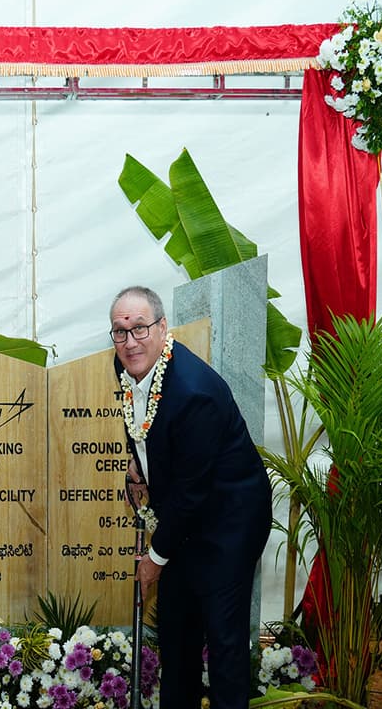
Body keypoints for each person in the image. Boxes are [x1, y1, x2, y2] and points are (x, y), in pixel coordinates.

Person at [109, 286, 272, 707]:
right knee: (177, 632)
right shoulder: (126, 364)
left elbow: (191, 491)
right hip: (184, 518)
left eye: (140, 329)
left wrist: (154, 560)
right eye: (120, 332)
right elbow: (141, 424)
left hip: (229, 521)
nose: (130, 342)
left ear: (163, 328)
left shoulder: (194, 392)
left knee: (223, 640)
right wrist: (137, 464)